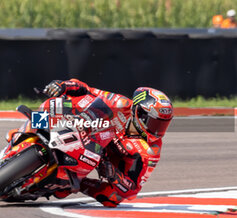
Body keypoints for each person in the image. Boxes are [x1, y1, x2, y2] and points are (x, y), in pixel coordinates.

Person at [43, 79, 173, 207]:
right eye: (155, 123)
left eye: (163, 125)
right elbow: (86, 89)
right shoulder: (120, 103)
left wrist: (115, 176)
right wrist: (63, 85)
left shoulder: (152, 150)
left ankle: (75, 181)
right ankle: (38, 124)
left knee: (113, 198)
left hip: (102, 159)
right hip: (86, 128)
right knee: (81, 99)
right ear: (139, 112)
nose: (158, 131)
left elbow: (133, 189)